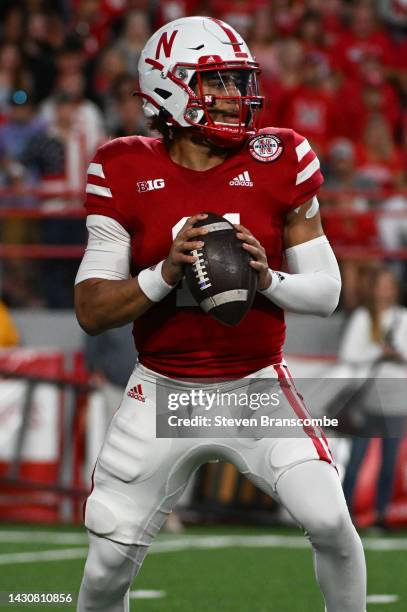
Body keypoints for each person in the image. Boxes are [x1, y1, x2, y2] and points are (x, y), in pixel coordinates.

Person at [75, 16, 366, 612]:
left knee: (331, 520)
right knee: (105, 569)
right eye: (219, 82)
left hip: (254, 384)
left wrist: (268, 278)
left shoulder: (278, 155)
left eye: (239, 81)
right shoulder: (123, 166)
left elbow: (327, 291)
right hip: (161, 389)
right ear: (168, 87)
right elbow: (91, 308)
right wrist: (165, 273)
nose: (237, 96)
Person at [340, 267, 407, 529]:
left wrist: (396, 354)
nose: (384, 291)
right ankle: (344, 514)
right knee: (356, 459)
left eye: (389, 286)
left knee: (389, 462)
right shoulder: (362, 317)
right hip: (367, 400)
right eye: (381, 285)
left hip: (397, 400)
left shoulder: (403, 317)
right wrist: (378, 354)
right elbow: (350, 354)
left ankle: (381, 515)